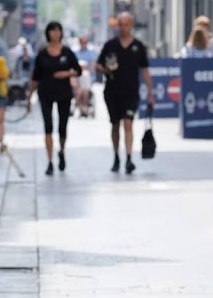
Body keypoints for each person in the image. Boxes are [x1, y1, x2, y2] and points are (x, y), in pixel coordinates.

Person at [95, 12, 154, 174]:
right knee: (115, 125)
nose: (123, 28)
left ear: (131, 25)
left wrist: (151, 92)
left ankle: (128, 158)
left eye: (126, 24)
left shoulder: (138, 46)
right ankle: (116, 156)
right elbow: (97, 65)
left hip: (131, 92)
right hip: (112, 91)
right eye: (120, 24)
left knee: (128, 123)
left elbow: (145, 70)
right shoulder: (110, 45)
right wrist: (106, 69)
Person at [27, 21, 82, 176]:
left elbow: (78, 70)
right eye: (53, 30)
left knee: (62, 127)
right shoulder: (42, 55)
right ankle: (50, 161)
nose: (55, 33)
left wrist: (66, 74)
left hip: (64, 93)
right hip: (45, 93)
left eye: (58, 30)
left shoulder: (67, 52)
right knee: (48, 127)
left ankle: (62, 151)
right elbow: (35, 77)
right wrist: (29, 97)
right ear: (48, 33)